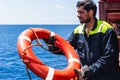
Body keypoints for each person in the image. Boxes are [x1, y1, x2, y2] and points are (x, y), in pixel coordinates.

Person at [44, 0, 120, 80]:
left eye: (81, 12)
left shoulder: (106, 29)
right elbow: (67, 49)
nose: (78, 15)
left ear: (90, 12)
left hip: (107, 77)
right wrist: (51, 45)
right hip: (88, 77)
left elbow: (110, 56)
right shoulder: (78, 31)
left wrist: (89, 70)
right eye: (77, 12)